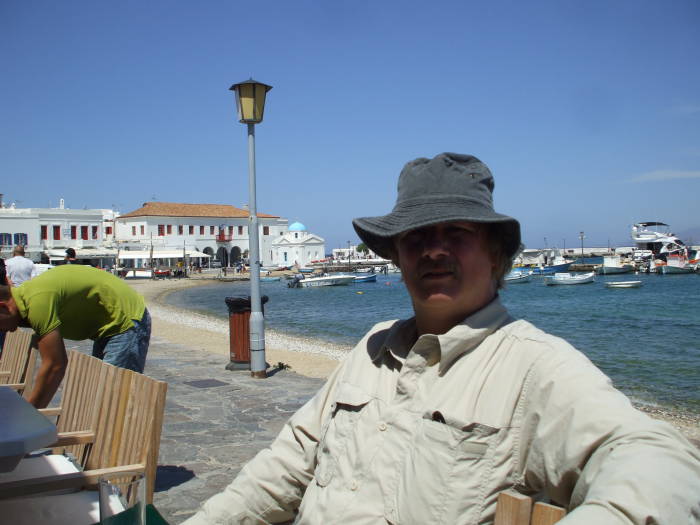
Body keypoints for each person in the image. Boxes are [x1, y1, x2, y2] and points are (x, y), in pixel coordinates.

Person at [184, 153, 700, 524]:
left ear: (497, 256)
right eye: (417, 238)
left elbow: (660, 463)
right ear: (398, 259)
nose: (434, 251)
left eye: (457, 234)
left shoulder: (535, 368)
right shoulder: (373, 347)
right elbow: (286, 465)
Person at [0, 264, 151, 408]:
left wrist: (29, 415)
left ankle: (128, 434)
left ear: (4, 306)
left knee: (114, 397)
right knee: (103, 394)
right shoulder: (29, 297)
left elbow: (55, 366)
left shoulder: (37, 302)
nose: (2, 330)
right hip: (109, 324)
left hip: (126, 320)